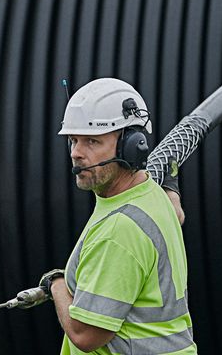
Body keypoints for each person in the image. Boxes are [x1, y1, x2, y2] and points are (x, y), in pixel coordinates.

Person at [39, 78, 197, 354]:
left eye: (92, 141)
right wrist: (171, 186)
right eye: (73, 140)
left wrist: (56, 283)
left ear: (131, 146)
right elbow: (176, 215)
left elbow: (85, 335)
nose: (76, 153)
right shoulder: (151, 193)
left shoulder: (119, 231)